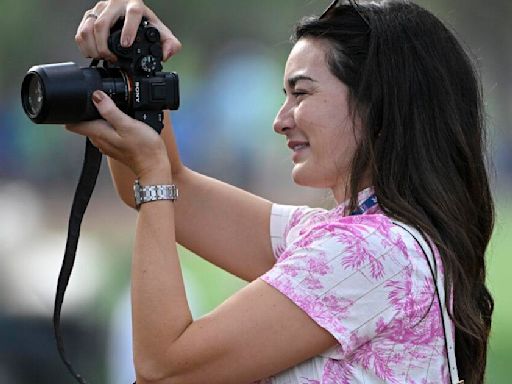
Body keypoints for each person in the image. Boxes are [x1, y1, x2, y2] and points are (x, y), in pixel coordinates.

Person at [67, 0, 494, 383]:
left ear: (379, 104)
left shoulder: (373, 253)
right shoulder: (366, 240)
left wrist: (154, 175)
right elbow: (171, 191)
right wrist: (135, 66)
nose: (280, 120)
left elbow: (164, 368)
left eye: (301, 93)